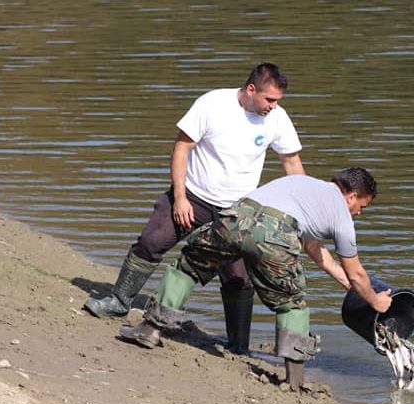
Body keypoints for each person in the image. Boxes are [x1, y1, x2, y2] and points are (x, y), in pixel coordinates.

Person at [84, 62, 304, 356]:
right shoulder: (212, 104)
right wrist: (180, 197)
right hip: (194, 196)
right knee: (151, 241)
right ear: (251, 89)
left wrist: (299, 211)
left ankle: (238, 345)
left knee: (238, 278)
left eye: (277, 101)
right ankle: (119, 301)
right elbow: (181, 147)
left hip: (239, 212)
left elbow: (291, 162)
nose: (273, 106)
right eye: (270, 99)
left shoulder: (277, 118)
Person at [117, 168, 393, 389]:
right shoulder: (341, 216)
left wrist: (348, 285)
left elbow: (316, 251)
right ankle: (294, 380)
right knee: (291, 303)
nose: (359, 213)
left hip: (235, 218)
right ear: (351, 196)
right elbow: (357, 271)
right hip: (275, 234)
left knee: (189, 266)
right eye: (362, 206)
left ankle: (150, 330)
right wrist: (374, 301)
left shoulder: (302, 183)